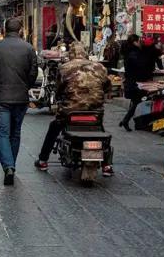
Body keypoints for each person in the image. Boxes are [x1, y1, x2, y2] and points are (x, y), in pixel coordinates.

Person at [34, 43, 114, 176]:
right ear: (85, 53)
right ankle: (106, 166)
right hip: (95, 112)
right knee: (98, 130)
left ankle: (43, 160)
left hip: (69, 112)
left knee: (54, 128)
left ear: (71, 54)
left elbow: (58, 89)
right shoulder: (100, 67)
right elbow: (107, 87)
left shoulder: (65, 68)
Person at [0, 18, 38, 185]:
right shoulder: (29, 48)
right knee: (15, 132)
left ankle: (8, 166)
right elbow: (33, 73)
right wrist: (25, 87)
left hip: (1, 97)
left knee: (2, 132)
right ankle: (11, 165)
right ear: (20, 30)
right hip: (21, 97)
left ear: (5, 30)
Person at [118, 34, 153, 131]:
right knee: (138, 100)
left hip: (131, 80)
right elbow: (140, 66)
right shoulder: (135, 53)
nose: (140, 43)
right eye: (139, 41)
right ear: (135, 42)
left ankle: (127, 121)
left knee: (136, 101)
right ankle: (133, 122)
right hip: (135, 81)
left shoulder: (128, 52)